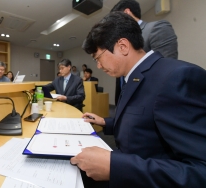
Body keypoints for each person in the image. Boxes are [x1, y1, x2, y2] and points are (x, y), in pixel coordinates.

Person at [70, 12, 206, 187]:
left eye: (98, 58)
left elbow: (200, 171)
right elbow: (144, 120)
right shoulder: (132, 77)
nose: (98, 66)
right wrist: (106, 122)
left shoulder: (175, 77)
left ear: (123, 46)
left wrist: (116, 167)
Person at [111, 0, 178, 105]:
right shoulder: (120, 41)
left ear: (127, 12)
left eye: (115, 20)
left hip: (149, 103)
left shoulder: (156, 28)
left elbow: (167, 71)